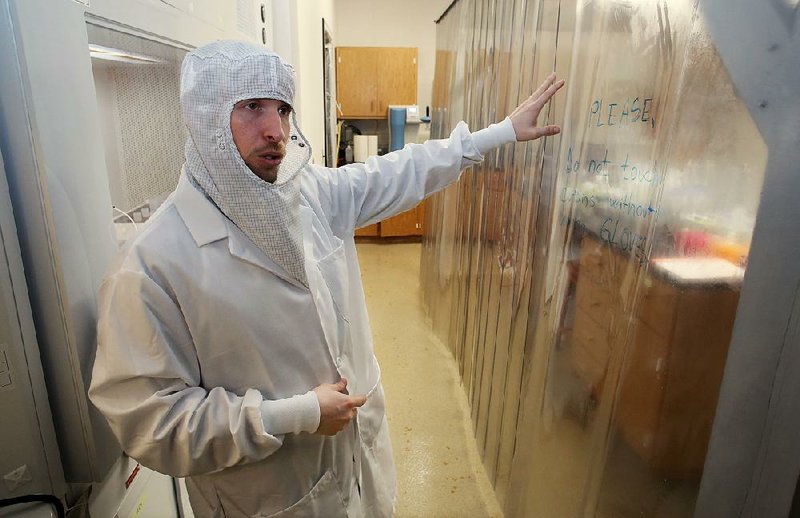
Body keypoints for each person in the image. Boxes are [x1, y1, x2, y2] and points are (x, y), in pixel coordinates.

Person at [89, 40, 564, 517]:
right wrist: (295, 415)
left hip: (356, 470)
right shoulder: (151, 264)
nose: (274, 129)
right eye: (252, 107)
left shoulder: (308, 194)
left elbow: (397, 172)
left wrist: (497, 134)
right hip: (272, 494)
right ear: (206, 117)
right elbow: (152, 423)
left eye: (282, 109)